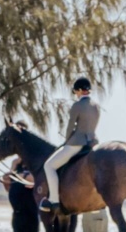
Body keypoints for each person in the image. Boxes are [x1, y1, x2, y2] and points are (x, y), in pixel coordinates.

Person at [40, 77, 100, 213]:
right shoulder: (96, 106)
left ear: (79, 90)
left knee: (49, 166)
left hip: (77, 143)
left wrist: (66, 140)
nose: (76, 94)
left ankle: (53, 200)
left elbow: (70, 127)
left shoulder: (77, 105)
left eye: (75, 92)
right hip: (92, 142)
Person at [1, 122, 41, 232]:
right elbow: (9, 180)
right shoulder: (15, 163)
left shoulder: (33, 159)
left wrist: (18, 175)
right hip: (17, 211)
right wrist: (11, 173)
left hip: (31, 210)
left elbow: (32, 180)